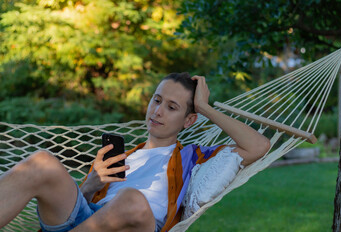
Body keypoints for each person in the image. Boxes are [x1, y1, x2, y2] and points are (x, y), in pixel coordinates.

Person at [0, 73, 270, 232]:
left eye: (172, 107)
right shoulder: (124, 156)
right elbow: (82, 207)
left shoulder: (195, 157)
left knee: (132, 199)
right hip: (90, 220)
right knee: (41, 162)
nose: (158, 111)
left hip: (134, 225)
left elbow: (258, 146)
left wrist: (204, 107)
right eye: (157, 100)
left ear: (189, 121)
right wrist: (91, 184)